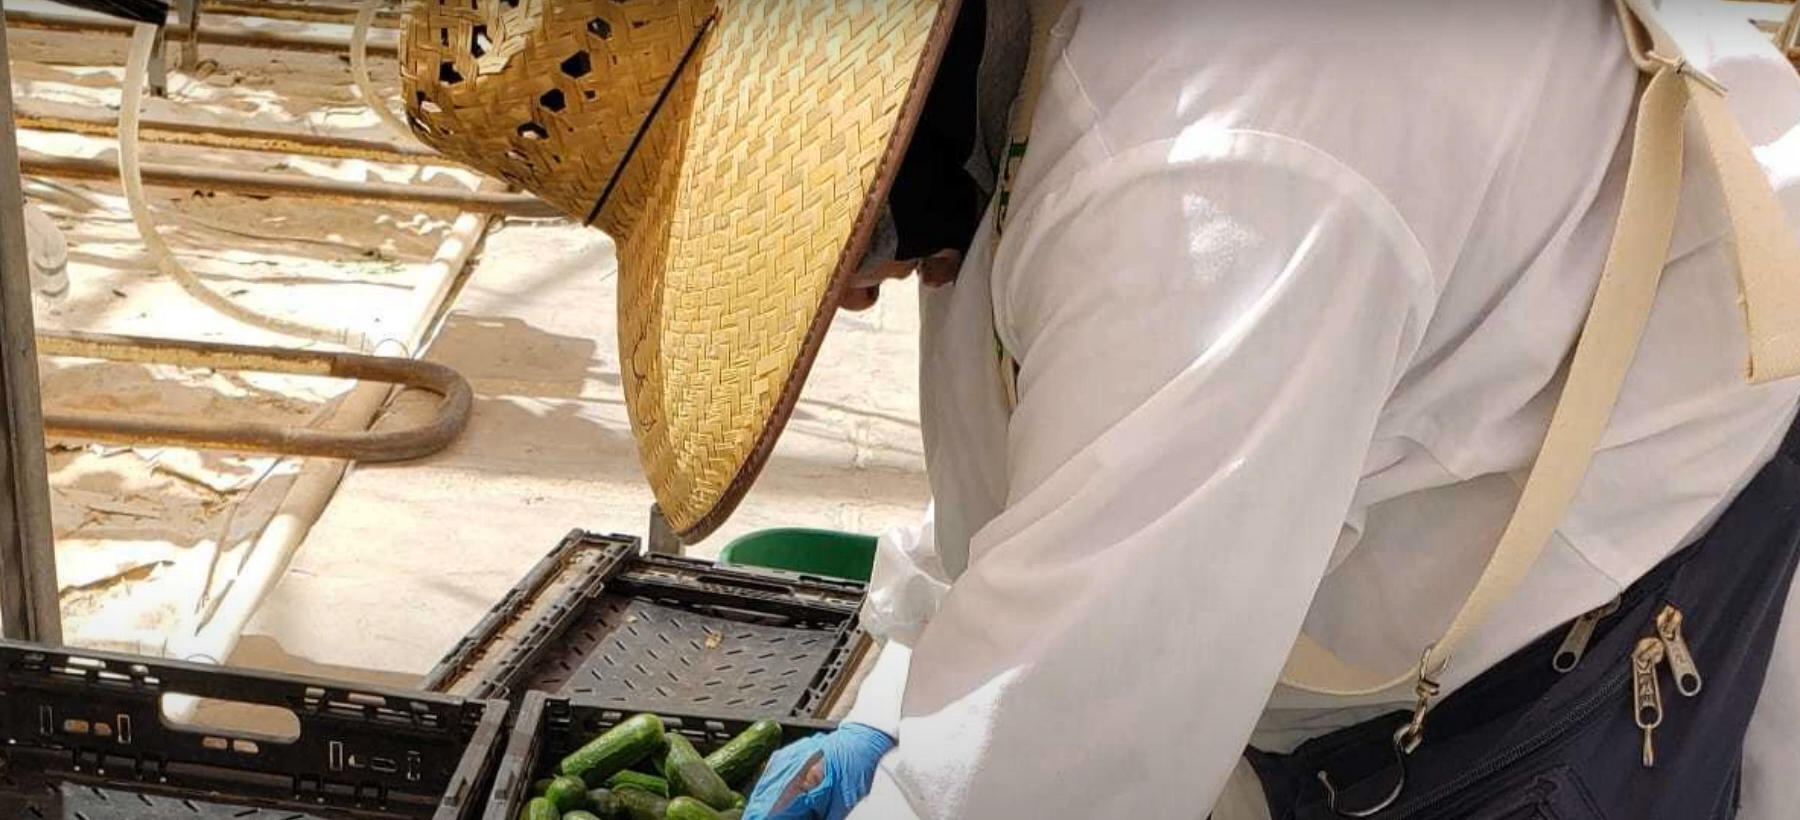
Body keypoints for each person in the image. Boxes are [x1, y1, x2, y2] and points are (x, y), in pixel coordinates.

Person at [404, 0, 1800, 817]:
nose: (848, 296)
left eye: (812, 235)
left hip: (1621, 580)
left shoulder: (1217, 172)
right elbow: (1036, 470)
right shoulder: (1033, 69)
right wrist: (907, 695)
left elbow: (1066, 766)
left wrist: (941, 775)